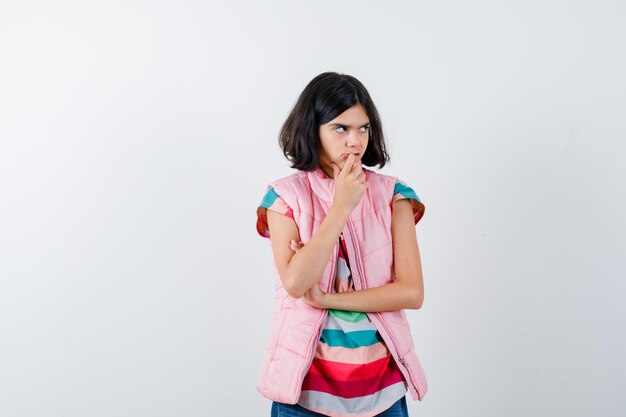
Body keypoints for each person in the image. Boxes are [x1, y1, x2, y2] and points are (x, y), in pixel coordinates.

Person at [255, 72, 428, 417]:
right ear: (312, 130)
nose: (355, 141)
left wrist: (328, 299)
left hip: (383, 394)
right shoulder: (284, 197)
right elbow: (296, 283)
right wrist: (342, 206)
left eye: (363, 128)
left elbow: (412, 293)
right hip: (303, 397)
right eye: (340, 128)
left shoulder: (395, 196)